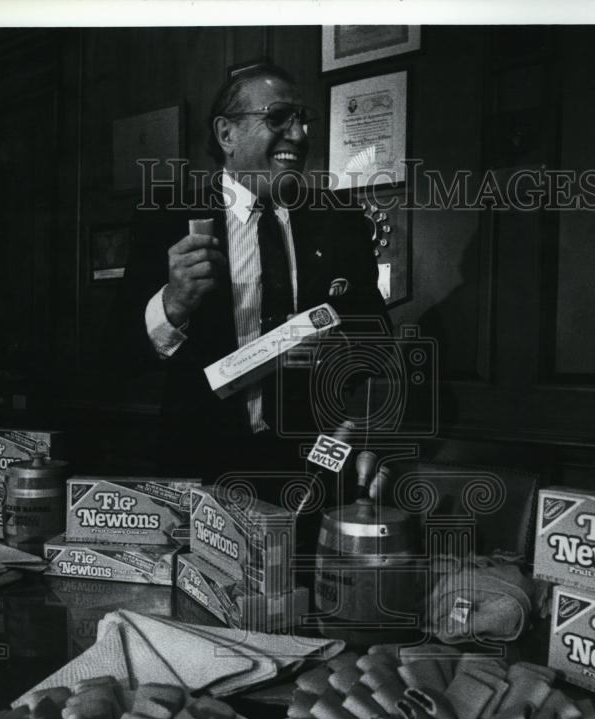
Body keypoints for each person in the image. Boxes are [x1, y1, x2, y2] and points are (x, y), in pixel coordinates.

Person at [114, 64, 392, 484]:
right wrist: (172, 306)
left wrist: (362, 422)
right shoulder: (166, 219)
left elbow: (377, 338)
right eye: (279, 117)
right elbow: (117, 353)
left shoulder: (339, 220)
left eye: (302, 120)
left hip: (313, 468)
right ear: (227, 135)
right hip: (199, 466)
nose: (298, 135)